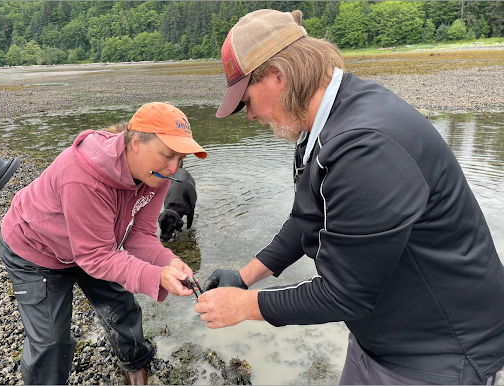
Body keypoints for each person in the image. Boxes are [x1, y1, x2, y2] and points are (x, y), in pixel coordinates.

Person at [195, 9, 504, 385]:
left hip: (437, 354)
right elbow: (307, 219)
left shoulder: (367, 147)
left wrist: (245, 306)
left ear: (278, 75)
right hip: (380, 336)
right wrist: (244, 277)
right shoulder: (320, 125)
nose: (250, 116)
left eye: (246, 100)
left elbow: (344, 294)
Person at [0, 102, 207, 385]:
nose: (174, 168)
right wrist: (155, 276)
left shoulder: (156, 175)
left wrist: (168, 261)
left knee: (122, 306)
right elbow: (96, 257)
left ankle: (135, 364)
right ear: (136, 143)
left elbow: (140, 236)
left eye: (180, 159)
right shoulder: (84, 175)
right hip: (36, 249)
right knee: (50, 343)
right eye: (168, 155)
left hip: (95, 245)